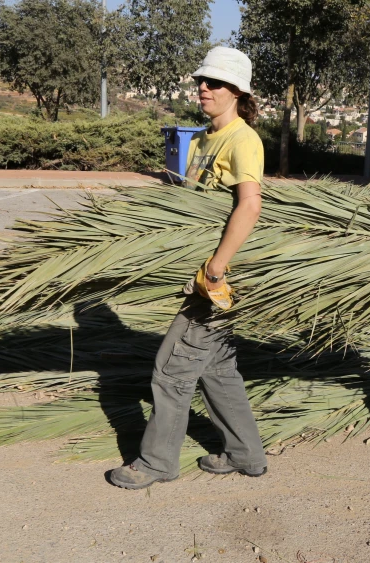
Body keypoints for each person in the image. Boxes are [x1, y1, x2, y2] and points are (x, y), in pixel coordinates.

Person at [110, 47, 268, 489]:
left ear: (237, 92)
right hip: (199, 274)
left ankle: (158, 462)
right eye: (202, 80)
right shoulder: (200, 139)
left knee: (171, 368)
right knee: (217, 369)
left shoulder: (242, 139)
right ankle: (247, 455)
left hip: (217, 278)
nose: (203, 87)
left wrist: (216, 268)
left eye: (214, 82)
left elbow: (250, 205)